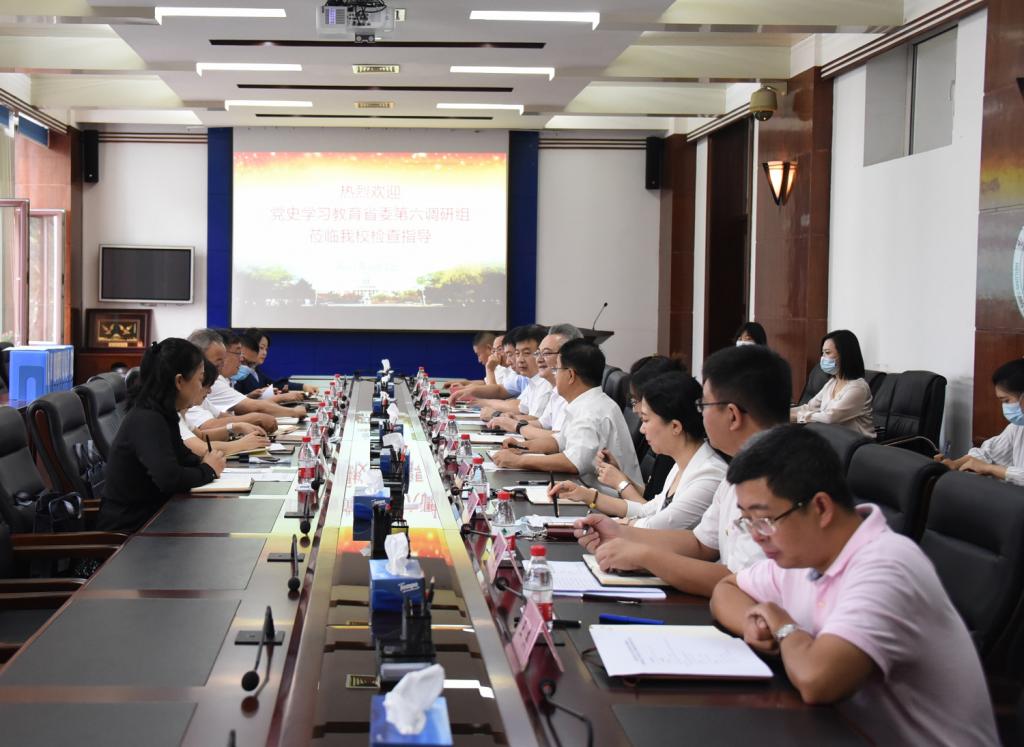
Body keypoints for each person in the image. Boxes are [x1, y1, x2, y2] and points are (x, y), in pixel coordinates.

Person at [710, 426, 998, 746]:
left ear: (821, 508)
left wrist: (783, 627)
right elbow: (726, 589)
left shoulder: (888, 566)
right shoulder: (803, 556)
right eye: (747, 521)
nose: (756, 535)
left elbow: (818, 681)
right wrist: (754, 624)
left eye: (764, 520)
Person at [571, 344, 790, 596]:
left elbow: (744, 582)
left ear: (732, 415)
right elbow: (701, 543)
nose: (700, 415)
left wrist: (645, 556)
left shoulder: (777, 482)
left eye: (704, 405)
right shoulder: (739, 470)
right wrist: (619, 532)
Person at [551, 371, 726, 530]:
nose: (642, 429)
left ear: (675, 426)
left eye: (646, 420)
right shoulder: (681, 464)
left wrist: (611, 523)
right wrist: (585, 494)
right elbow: (647, 510)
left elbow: (654, 526)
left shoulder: (708, 474)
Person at [96, 339, 225, 532]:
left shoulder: (163, 413)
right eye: (200, 379)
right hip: (131, 533)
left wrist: (205, 461)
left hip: (156, 519)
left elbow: (184, 459)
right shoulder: (147, 419)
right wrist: (208, 470)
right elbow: (169, 479)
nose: (202, 387)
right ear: (179, 381)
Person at [491, 339, 642, 490]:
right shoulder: (584, 402)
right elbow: (558, 441)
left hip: (610, 497)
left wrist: (518, 461)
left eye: (556, 370)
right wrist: (521, 447)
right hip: (587, 489)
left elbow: (573, 462)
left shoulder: (591, 410)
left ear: (570, 375)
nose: (555, 375)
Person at [186, 328, 305, 429]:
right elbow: (208, 427)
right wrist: (292, 411)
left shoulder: (214, 382)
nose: (241, 359)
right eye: (218, 361)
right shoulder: (209, 384)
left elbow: (220, 417)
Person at [939, 358, 1024, 485]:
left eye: (1006, 400)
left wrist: (989, 469)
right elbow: (989, 453)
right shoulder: (1018, 427)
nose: (1005, 407)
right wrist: (955, 464)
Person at [488, 324, 582, 438]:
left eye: (546, 353)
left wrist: (516, 426)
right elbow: (542, 423)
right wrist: (510, 421)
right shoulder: (556, 391)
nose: (539, 359)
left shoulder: (578, 398)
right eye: (538, 353)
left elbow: (560, 441)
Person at [178, 360, 271, 458]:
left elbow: (201, 436)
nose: (210, 391)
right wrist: (241, 444)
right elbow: (202, 449)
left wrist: (235, 427)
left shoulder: (181, 412)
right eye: (200, 380)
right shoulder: (172, 414)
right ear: (179, 382)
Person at [791, 329, 874, 438]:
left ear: (844, 355)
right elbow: (810, 407)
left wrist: (798, 416)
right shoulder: (832, 383)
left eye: (827, 352)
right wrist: (781, 412)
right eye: (823, 353)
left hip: (856, 445)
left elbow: (830, 418)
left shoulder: (858, 388)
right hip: (833, 438)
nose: (822, 358)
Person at [477, 325, 550, 420]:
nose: (520, 360)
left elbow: (538, 422)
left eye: (526, 353)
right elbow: (522, 409)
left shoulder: (547, 383)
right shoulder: (533, 381)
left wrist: (495, 414)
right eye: (517, 354)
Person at [243, 328, 319, 395]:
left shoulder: (256, 372)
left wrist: (303, 387)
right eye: (261, 348)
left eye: (266, 349)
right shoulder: (239, 373)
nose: (265, 353)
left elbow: (275, 384)